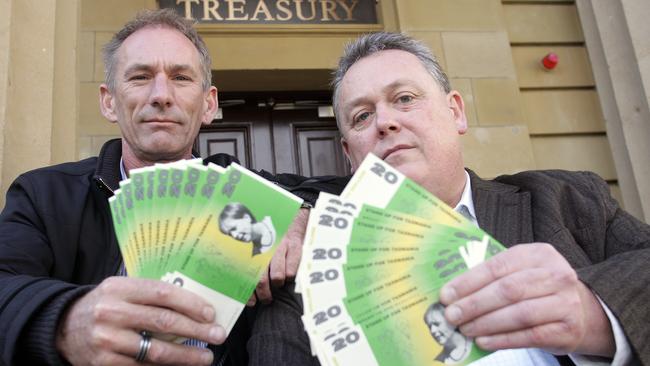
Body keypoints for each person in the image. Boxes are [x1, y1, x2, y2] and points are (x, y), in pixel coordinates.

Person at [0, 9, 336, 366]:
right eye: (141, 77)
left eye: (180, 77)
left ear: (209, 104)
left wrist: (300, 213)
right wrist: (64, 321)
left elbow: (343, 193)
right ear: (108, 101)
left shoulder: (250, 191)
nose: (161, 95)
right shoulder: (43, 194)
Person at [328, 32, 650, 365]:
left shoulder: (568, 201)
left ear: (455, 112)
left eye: (405, 98)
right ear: (349, 154)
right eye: (361, 116)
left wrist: (595, 313)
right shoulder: (319, 262)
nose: (385, 122)